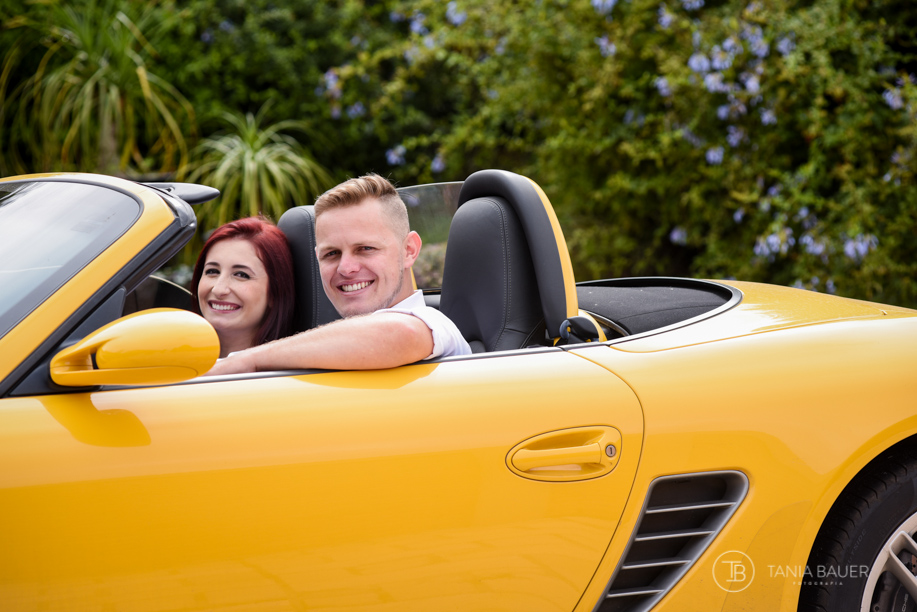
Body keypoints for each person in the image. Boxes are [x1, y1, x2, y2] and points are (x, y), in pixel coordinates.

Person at [205, 174, 471, 375]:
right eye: (331, 254)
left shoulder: (431, 325)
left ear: (409, 251)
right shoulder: (319, 349)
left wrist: (243, 360)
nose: (346, 268)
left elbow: (398, 333)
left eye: (365, 249)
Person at [191, 217, 295, 358]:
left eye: (241, 275)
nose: (218, 289)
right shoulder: (174, 358)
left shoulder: (287, 374)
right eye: (212, 271)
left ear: (274, 292)